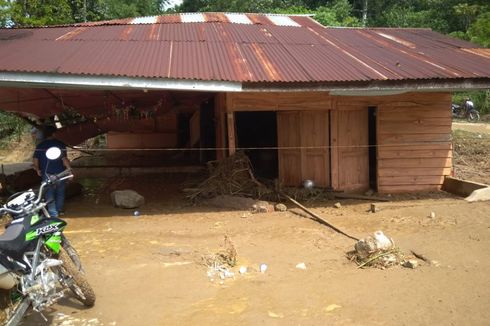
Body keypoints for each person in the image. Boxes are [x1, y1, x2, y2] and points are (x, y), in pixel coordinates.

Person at [33, 125, 72, 217]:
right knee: (60, 193)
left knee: (49, 194)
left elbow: (35, 160)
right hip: (60, 173)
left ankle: (53, 214)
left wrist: (37, 169)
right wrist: (69, 170)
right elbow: (64, 159)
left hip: (46, 174)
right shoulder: (60, 144)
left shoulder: (40, 145)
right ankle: (59, 211)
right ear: (54, 133)